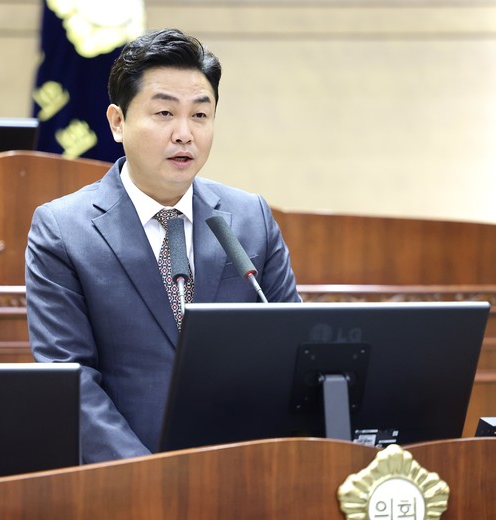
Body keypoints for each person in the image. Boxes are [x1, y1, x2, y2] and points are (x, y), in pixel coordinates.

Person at [25, 28, 300, 463]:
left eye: (200, 115)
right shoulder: (63, 229)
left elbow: (294, 350)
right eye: (164, 113)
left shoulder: (251, 219)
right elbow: (70, 377)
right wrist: (148, 478)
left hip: (243, 472)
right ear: (117, 122)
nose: (184, 133)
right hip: (124, 480)